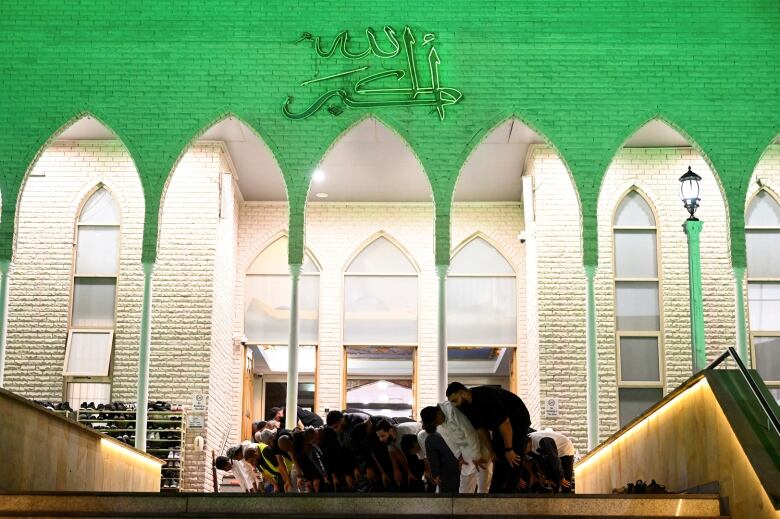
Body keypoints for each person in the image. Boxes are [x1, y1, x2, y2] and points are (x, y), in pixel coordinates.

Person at [446, 382, 531, 493]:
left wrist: (509, 449)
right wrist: (492, 452)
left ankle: (511, 492)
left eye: (455, 400)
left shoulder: (487, 398)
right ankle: (495, 493)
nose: (454, 405)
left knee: (513, 457)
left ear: (463, 393)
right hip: (498, 425)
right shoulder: (464, 407)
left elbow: (505, 424)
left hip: (517, 419)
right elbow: (481, 429)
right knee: (499, 458)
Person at [420, 403, 492, 494]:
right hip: (465, 449)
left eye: (436, 422)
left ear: (438, 413)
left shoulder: (453, 411)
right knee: (465, 485)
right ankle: (464, 507)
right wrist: (459, 456)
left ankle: (482, 506)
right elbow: (449, 440)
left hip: (481, 444)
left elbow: (470, 434)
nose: (437, 424)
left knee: (482, 482)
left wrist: (476, 456)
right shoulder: (440, 423)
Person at [374, 419, 423, 490]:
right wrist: (396, 470)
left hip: (420, 442)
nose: (380, 440)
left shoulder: (405, 432)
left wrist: (427, 470)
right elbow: (393, 453)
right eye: (379, 437)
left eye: (382, 436)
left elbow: (421, 451)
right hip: (411, 448)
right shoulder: (390, 438)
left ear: (390, 431)